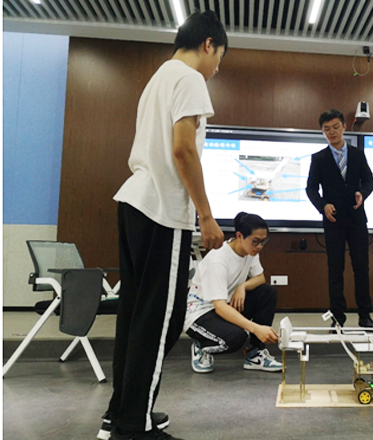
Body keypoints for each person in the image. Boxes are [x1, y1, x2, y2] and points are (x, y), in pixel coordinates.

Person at [100, 11, 228, 440]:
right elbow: (183, 150)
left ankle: (122, 412)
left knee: (135, 316)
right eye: (219, 58)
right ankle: (133, 426)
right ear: (208, 44)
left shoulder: (159, 77)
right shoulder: (190, 78)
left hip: (134, 202)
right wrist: (206, 216)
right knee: (160, 321)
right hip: (161, 210)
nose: (216, 69)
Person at [185, 212, 282, 373]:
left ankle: (255, 354)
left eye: (263, 241)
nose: (259, 246)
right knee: (235, 338)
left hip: (225, 305)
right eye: (255, 241)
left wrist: (242, 287)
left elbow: (260, 278)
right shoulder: (218, 260)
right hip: (200, 315)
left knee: (267, 292)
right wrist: (256, 328)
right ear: (239, 236)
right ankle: (202, 346)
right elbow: (220, 307)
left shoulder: (250, 251)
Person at [305, 109, 373, 328]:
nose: (332, 132)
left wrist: (362, 193)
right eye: (326, 129)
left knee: (361, 268)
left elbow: (370, 181)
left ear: (344, 127)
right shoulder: (319, 158)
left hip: (356, 220)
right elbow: (311, 189)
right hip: (333, 221)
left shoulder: (357, 154)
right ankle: (338, 317)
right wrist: (323, 206)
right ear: (322, 132)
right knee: (335, 270)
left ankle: (365, 315)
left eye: (335, 127)